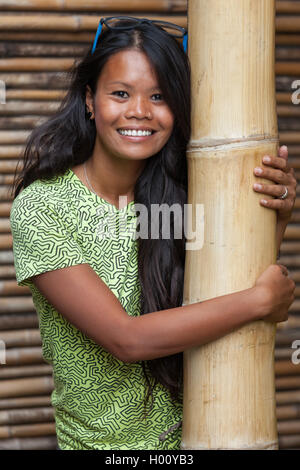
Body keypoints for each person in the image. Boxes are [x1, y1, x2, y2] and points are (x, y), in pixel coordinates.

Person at [9, 17, 297, 451]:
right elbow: (127, 339)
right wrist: (258, 301)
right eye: (120, 93)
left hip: (203, 436)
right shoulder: (44, 208)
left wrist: (278, 214)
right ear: (90, 100)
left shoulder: (182, 197)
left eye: (159, 96)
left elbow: (229, 292)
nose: (140, 111)